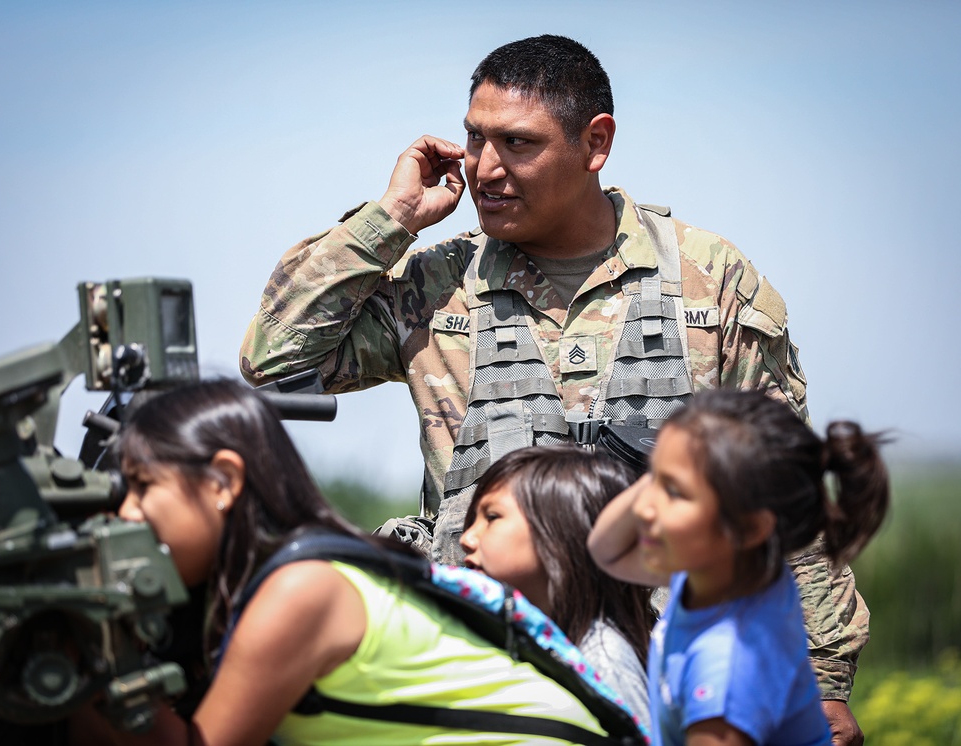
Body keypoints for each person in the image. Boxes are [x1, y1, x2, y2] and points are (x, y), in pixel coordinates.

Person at [239, 34, 865, 741]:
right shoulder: (441, 282)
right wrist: (393, 219)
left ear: (595, 143)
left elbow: (780, 493)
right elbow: (272, 359)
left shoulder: (708, 281)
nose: (485, 169)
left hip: (663, 675)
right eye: (474, 139)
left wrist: (824, 680)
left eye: (518, 143)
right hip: (475, 669)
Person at [73, 379, 629, 745]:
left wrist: (85, 658)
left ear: (223, 481)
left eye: (143, 487)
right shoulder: (300, 574)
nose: (126, 512)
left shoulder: (300, 590)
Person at [587, 389, 890, 746]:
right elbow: (604, 550)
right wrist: (672, 463)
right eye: (652, 480)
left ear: (748, 528)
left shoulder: (724, 676)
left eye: (675, 493)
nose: (645, 508)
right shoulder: (730, 576)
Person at [459, 445, 655, 731]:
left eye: (491, 517)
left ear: (562, 534)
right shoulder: (520, 642)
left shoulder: (602, 661)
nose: (467, 538)